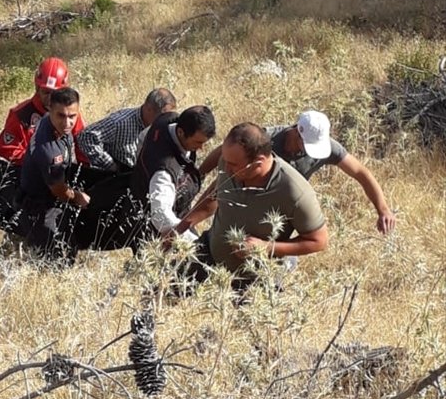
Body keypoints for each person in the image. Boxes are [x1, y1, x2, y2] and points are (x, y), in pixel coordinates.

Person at [197, 109, 396, 234]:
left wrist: (383, 209)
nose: (306, 150)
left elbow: (361, 172)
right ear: (296, 130)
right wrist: (199, 174)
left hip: (281, 208)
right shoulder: (266, 139)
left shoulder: (328, 148)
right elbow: (224, 154)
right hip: (245, 193)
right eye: (305, 143)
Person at [181, 123, 328, 283]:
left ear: (258, 163)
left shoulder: (295, 191)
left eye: (233, 165)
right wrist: (179, 228)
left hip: (255, 279)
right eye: (225, 160)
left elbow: (318, 241)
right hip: (209, 256)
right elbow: (214, 197)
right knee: (165, 288)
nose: (226, 167)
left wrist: (266, 247)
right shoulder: (229, 161)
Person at [18, 87, 90, 260]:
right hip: (39, 201)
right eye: (61, 116)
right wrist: (77, 197)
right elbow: (58, 190)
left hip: (55, 180)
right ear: (49, 109)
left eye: (72, 116)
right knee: (58, 255)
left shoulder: (49, 122)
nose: (67, 123)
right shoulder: (48, 150)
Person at [131, 105, 216, 246]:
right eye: (198, 142)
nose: (201, 148)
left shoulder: (167, 120)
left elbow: (142, 138)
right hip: (152, 225)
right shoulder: (163, 172)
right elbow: (161, 216)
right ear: (181, 132)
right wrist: (193, 243)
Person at [0, 56, 85, 165]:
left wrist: (84, 170)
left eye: (54, 93)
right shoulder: (21, 115)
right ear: (37, 89)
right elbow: (5, 148)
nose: (50, 98)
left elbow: (82, 145)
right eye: (46, 92)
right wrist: (38, 160)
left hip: (61, 170)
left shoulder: (69, 113)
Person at [76, 88, 177, 172]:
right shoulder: (119, 123)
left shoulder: (163, 126)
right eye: (162, 116)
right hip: (119, 179)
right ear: (149, 109)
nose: (166, 120)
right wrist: (111, 165)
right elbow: (86, 136)